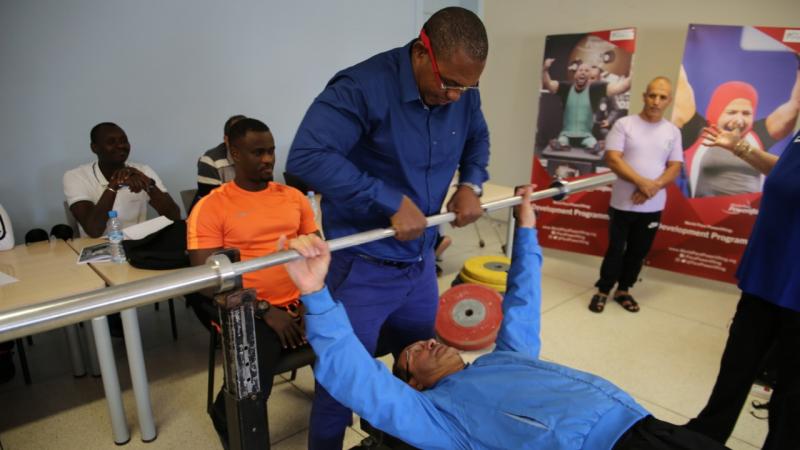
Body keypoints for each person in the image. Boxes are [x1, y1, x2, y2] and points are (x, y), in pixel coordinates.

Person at [282, 186, 727, 450]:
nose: (427, 341)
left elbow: (523, 303)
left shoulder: (505, 359)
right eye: (414, 354)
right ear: (413, 384)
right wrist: (314, 293)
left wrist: (527, 226)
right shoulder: (438, 419)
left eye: (421, 342)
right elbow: (358, 380)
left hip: (645, 423)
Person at [286, 7, 489, 448]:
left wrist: (471, 182)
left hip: (418, 267)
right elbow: (306, 158)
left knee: (422, 366)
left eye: (467, 86)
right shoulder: (361, 87)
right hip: (362, 268)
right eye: (449, 83)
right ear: (422, 52)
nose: (457, 96)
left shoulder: (461, 90)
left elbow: (477, 137)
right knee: (343, 383)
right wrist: (388, 200)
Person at [186, 118, 318, 447]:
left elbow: (316, 253)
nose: (268, 160)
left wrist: (310, 299)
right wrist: (262, 309)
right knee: (252, 380)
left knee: (347, 344)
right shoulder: (211, 206)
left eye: (271, 151)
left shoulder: (293, 197)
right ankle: (229, 416)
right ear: (234, 154)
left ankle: (335, 417)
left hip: (300, 300)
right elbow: (206, 281)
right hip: (248, 310)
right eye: (257, 152)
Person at [684, 126, 800, 449]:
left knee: (792, 391)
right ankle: (703, 436)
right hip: (767, 272)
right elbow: (786, 174)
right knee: (736, 366)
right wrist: (741, 149)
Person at [588, 77, 683, 314]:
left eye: (662, 97)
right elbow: (612, 158)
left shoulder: (672, 131)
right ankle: (603, 289)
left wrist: (653, 187)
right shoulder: (624, 124)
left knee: (638, 251)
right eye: (652, 95)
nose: (656, 101)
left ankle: (624, 290)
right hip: (622, 202)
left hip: (652, 205)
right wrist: (643, 184)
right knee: (616, 248)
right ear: (644, 96)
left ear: (668, 101)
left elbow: (675, 166)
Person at [672, 58, 800, 197]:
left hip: (748, 215)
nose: (739, 120)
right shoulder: (696, 131)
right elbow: (680, 84)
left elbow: (796, 103)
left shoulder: (759, 135)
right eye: (731, 112)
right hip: (702, 215)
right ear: (717, 110)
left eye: (746, 113)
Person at [63, 122, 180, 238]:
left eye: (124, 141)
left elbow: (174, 217)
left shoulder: (143, 170)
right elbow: (94, 230)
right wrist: (114, 185)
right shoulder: (75, 177)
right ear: (94, 148)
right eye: (111, 142)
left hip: (140, 246)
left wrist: (149, 184)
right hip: (101, 250)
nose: (120, 146)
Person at [541, 58, 631, 152]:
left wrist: (633, 75)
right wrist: (545, 70)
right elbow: (549, 85)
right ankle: (561, 144)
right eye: (580, 70)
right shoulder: (565, 87)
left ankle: (595, 147)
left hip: (587, 136)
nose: (583, 72)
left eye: (586, 71)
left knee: (592, 143)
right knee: (562, 141)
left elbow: (620, 88)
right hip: (566, 134)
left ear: (589, 76)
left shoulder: (595, 89)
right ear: (575, 74)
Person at [192, 114, 247, 209]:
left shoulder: (259, 157)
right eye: (238, 136)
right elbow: (212, 207)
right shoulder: (210, 161)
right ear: (226, 140)